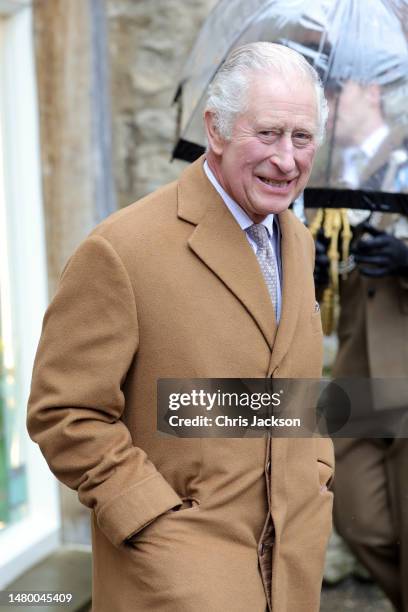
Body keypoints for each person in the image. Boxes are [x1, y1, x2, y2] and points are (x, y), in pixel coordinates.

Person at [27, 42, 334, 612]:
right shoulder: (120, 250)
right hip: (173, 577)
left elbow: (291, 390)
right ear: (215, 130)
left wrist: (316, 473)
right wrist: (151, 521)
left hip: (292, 568)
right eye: (267, 134)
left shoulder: (295, 238)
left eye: (303, 137)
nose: (288, 160)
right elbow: (63, 412)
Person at [318, 77, 408, 610]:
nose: (327, 106)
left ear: (370, 92)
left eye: (335, 93)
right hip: (357, 376)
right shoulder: (324, 174)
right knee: (357, 512)